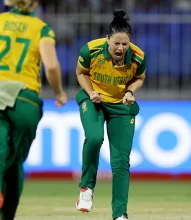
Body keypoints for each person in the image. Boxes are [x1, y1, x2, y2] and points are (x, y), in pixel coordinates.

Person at [0, 0, 67, 219]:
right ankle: (7, 215)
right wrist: (59, 93)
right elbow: (51, 66)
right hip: (25, 100)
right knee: (14, 162)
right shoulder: (42, 28)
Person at [74, 9, 146, 220]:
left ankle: (120, 215)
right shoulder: (90, 50)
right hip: (94, 100)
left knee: (121, 162)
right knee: (95, 138)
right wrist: (91, 92)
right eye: (116, 43)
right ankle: (86, 189)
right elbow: (80, 73)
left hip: (121, 106)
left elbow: (139, 78)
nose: (121, 48)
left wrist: (131, 92)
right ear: (107, 40)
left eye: (125, 44)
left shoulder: (138, 56)